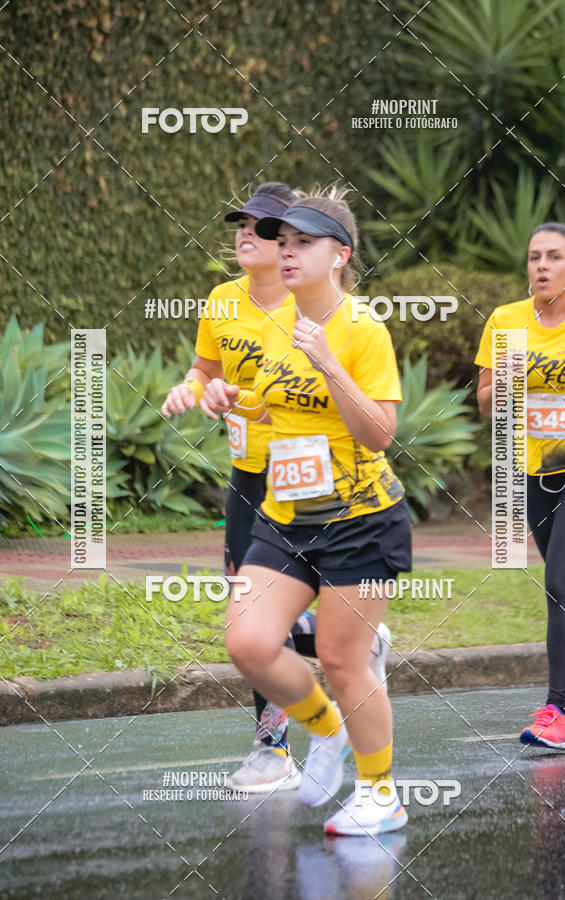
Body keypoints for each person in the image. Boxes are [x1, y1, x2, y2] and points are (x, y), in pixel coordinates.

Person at [161, 182, 392, 793]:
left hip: (329, 488)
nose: (251, 237)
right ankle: (273, 746)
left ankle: (356, 750)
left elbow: (377, 431)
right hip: (253, 477)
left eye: (271, 231)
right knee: (251, 618)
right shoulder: (226, 305)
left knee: (293, 625)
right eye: (253, 228)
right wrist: (206, 391)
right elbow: (216, 372)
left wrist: (325, 371)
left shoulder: (335, 321)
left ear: (326, 251)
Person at [475, 222, 565, 749]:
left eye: (553, 257)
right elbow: (484, 403)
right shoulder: (505, 322)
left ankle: (556, 711)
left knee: (559, 583)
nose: (541, 266)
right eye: (533, 257)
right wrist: (502, 379)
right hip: (534, 473)